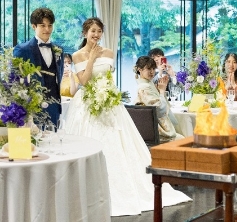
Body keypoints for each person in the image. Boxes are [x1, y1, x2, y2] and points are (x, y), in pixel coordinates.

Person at [64, 17, 191, 216]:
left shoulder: (109, 53)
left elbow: (107, 78)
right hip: (87, 103)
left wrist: (108, 93)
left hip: (109, 102)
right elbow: (84, 81)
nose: (96, 35)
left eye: (99, 31)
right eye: (92, 31)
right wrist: (91, 59)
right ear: (85, 33)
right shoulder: (78, 55)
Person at [13, 7, 63, 126]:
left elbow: (58, 76)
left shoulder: (59, 50)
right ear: (34, 26)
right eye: (42, 25)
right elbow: (15, 80)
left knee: (54, 142)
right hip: (32, 108)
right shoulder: (22, 49)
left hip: (54, 105)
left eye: (50, 25)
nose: (47, 29)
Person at [134, 56, 184, 142]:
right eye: (149, 68)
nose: (152, 72)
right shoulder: (144, 88)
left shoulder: (148, 84)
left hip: (152, 128)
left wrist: (159, 90)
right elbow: (160, 110)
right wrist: (161, 91)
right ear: (140, 69)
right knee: (184, 139)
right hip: (157, 132)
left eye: (153, 68)